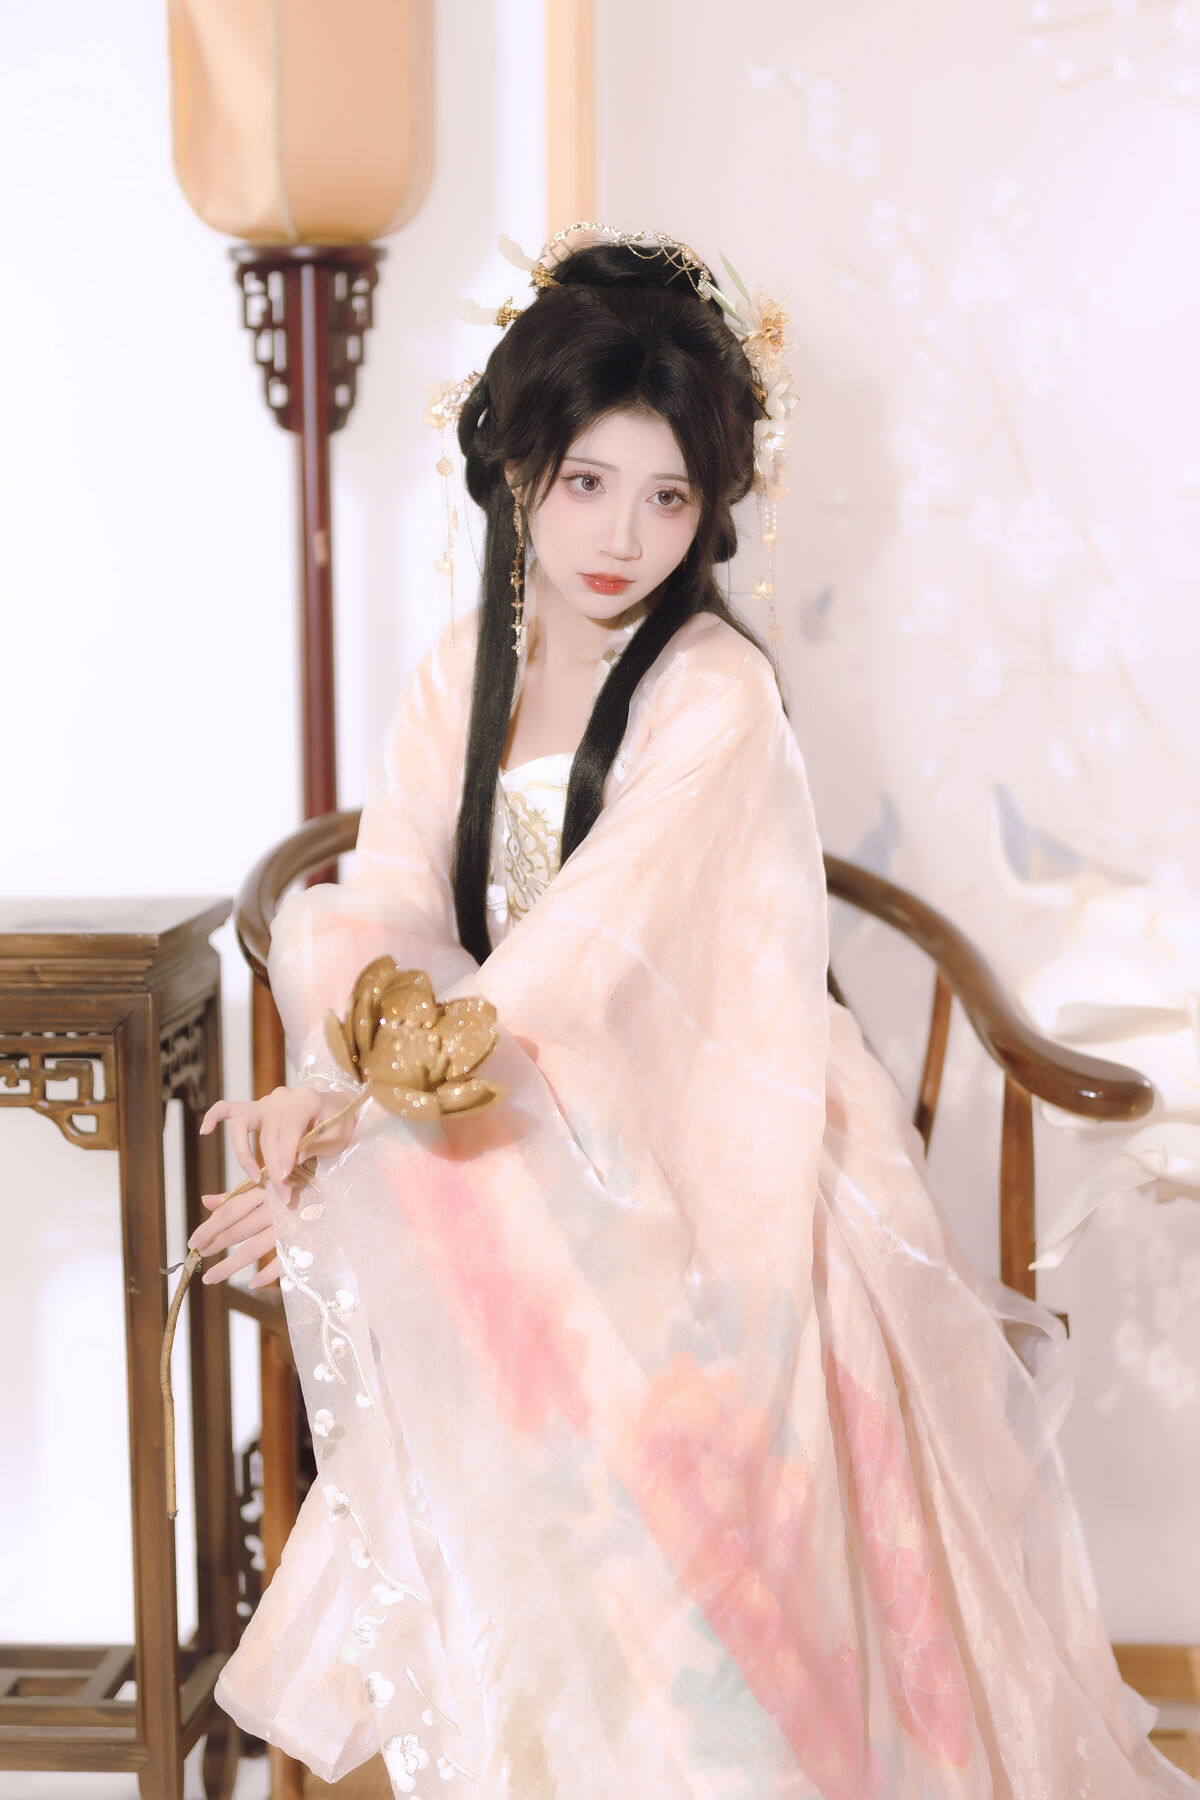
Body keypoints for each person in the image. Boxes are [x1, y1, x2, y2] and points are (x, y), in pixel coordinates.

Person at [194, 229, 1197, 1798]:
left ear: (712, 508)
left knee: (444, 1202)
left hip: (722, 1114)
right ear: (517, 465)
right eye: (589, 481)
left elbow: (589, 953)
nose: (624, 535)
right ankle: (561, 1736)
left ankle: (694, 1746)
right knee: (427, 1191)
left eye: (670, 497)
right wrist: (336, 1091)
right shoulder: (459, 674)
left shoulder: (712, 690)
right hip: (524, 1107)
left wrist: (361, 1117)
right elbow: (385, 910)